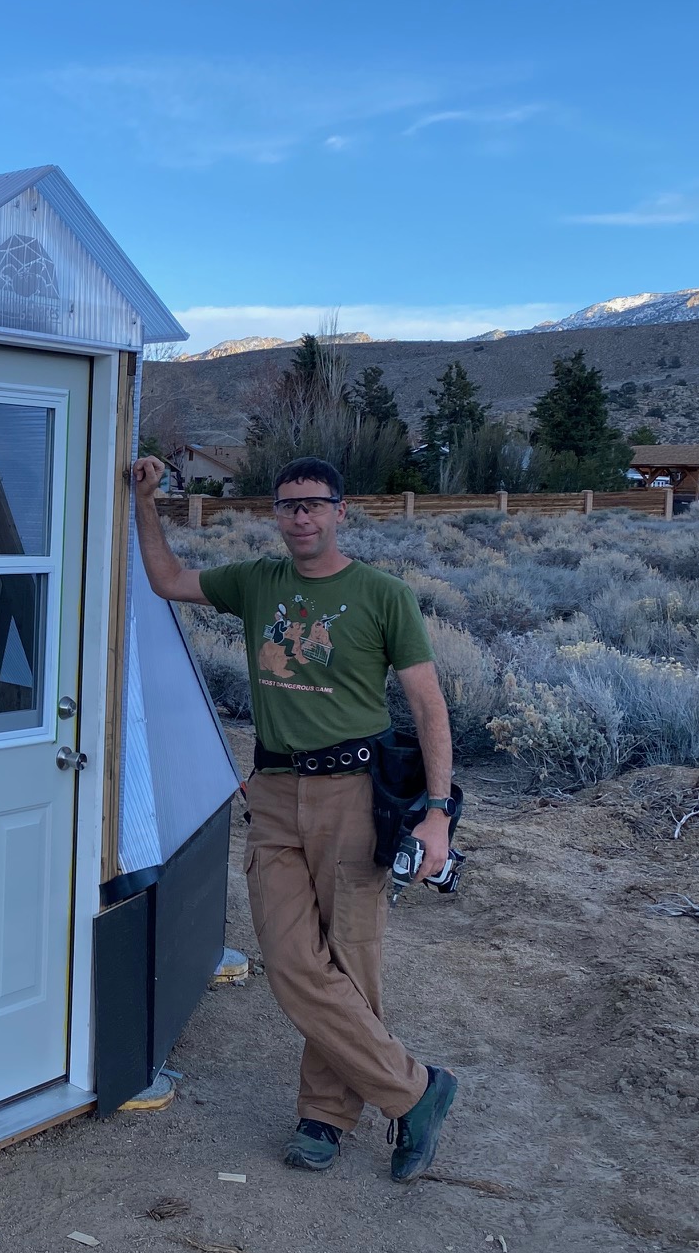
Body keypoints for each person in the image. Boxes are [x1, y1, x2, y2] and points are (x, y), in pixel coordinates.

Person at [130, 452, 459, 1180]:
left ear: (341, 511)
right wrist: (146, 502)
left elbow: (429, 705)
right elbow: (168, 581)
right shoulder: (256, 582)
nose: (301, 516)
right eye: (288, 505)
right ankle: (416, 1092)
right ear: (276, 515)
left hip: (354, 793)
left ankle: (324, 1114)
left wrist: (437, 814)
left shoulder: (382, 595)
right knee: (291, 961)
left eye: (314, 504)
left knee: (349, 959)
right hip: (276, 790)